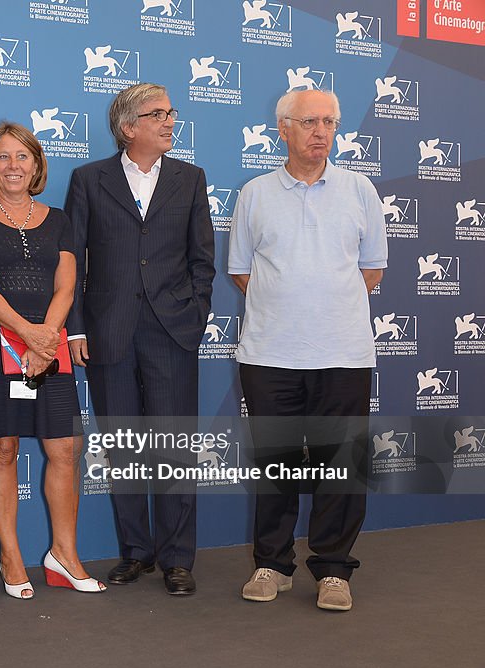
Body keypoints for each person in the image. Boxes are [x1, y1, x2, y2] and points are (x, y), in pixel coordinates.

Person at [228, 88, 387, 612]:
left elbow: (371, 270)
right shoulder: (254, 193)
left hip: (343, 353)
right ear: (283, 129)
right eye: (310, 122)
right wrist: (289, 309)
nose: (321, 132)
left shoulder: (361, 190)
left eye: (330, 122)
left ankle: (334, 570)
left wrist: (323, 310)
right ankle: (271, 565)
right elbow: (243, 270)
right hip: (270, 353)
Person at [65, 83, 215, 596]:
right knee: (124, 445)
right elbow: (74, 262)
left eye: (171, 113)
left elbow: (203, 261)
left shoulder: (190, 179)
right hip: (109, 331)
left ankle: (177, 558)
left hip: (173, 331)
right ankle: (136, 552)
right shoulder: (88, 180)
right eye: (158, 115)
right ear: (129, 127)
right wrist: (78, 327)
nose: (170, 122)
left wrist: (195, 316)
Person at [0, 122, 103, 599]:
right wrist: (26, 334)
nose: (13, 166)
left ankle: (64, 555)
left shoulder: (59, 219)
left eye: (22, 157)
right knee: (0, 450)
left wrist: (47, 340)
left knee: (65, 450)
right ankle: (11, 556)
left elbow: (67, 285)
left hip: (50, 345)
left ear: (37, 164)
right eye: (3, 157)